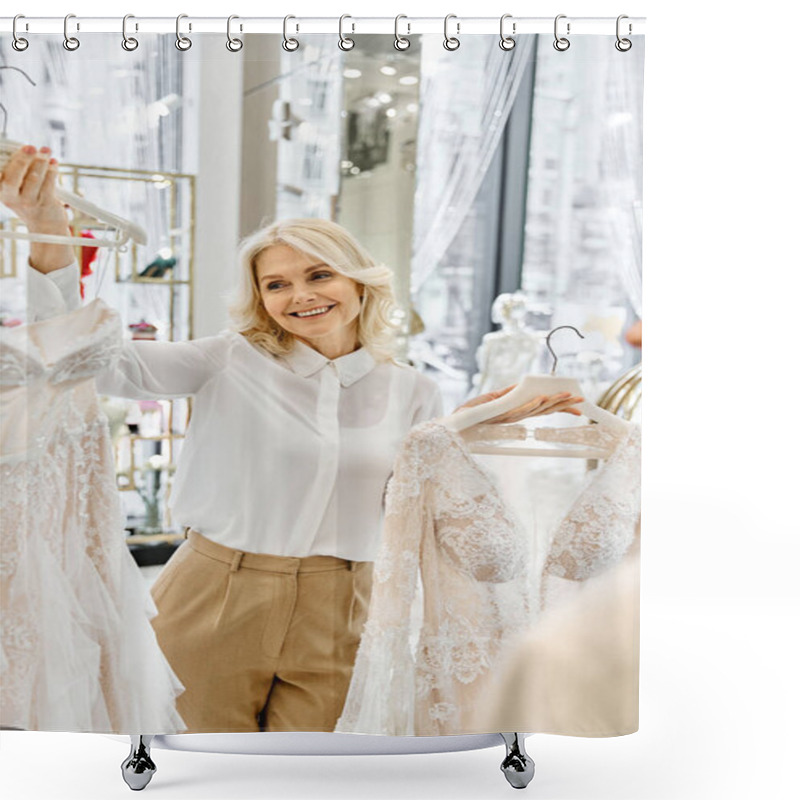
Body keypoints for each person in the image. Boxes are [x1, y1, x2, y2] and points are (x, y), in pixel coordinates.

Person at [0, 143, 585, 734]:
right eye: (276, 284)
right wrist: (51, 240)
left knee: (316, 774)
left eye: (319, 275)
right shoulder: (228, 359)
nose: (300, 296)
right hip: (215, 592)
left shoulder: (413, 391)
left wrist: (466, 430)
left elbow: (414, 500)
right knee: (196, 769)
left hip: (344, 605)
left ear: (360, 284)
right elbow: (94, 364)